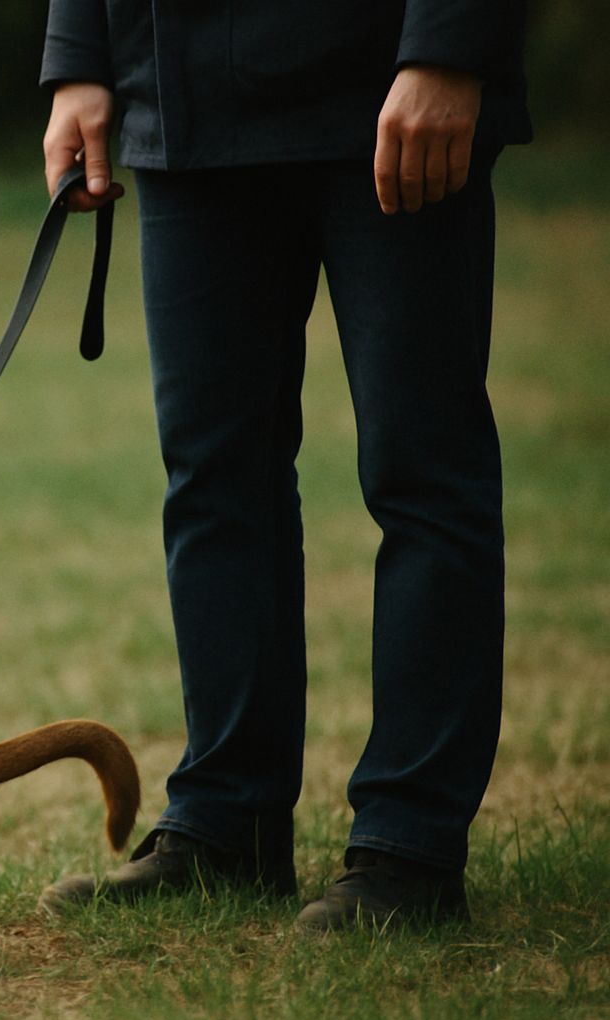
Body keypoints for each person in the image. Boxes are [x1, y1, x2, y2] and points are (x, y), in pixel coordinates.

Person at [35, 2, 531, 930]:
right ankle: (227, 823)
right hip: (182, 92)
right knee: (213, 480)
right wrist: (79, 59)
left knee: (422, 474)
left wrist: (450, 47)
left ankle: (409, 847)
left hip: (388, 82)